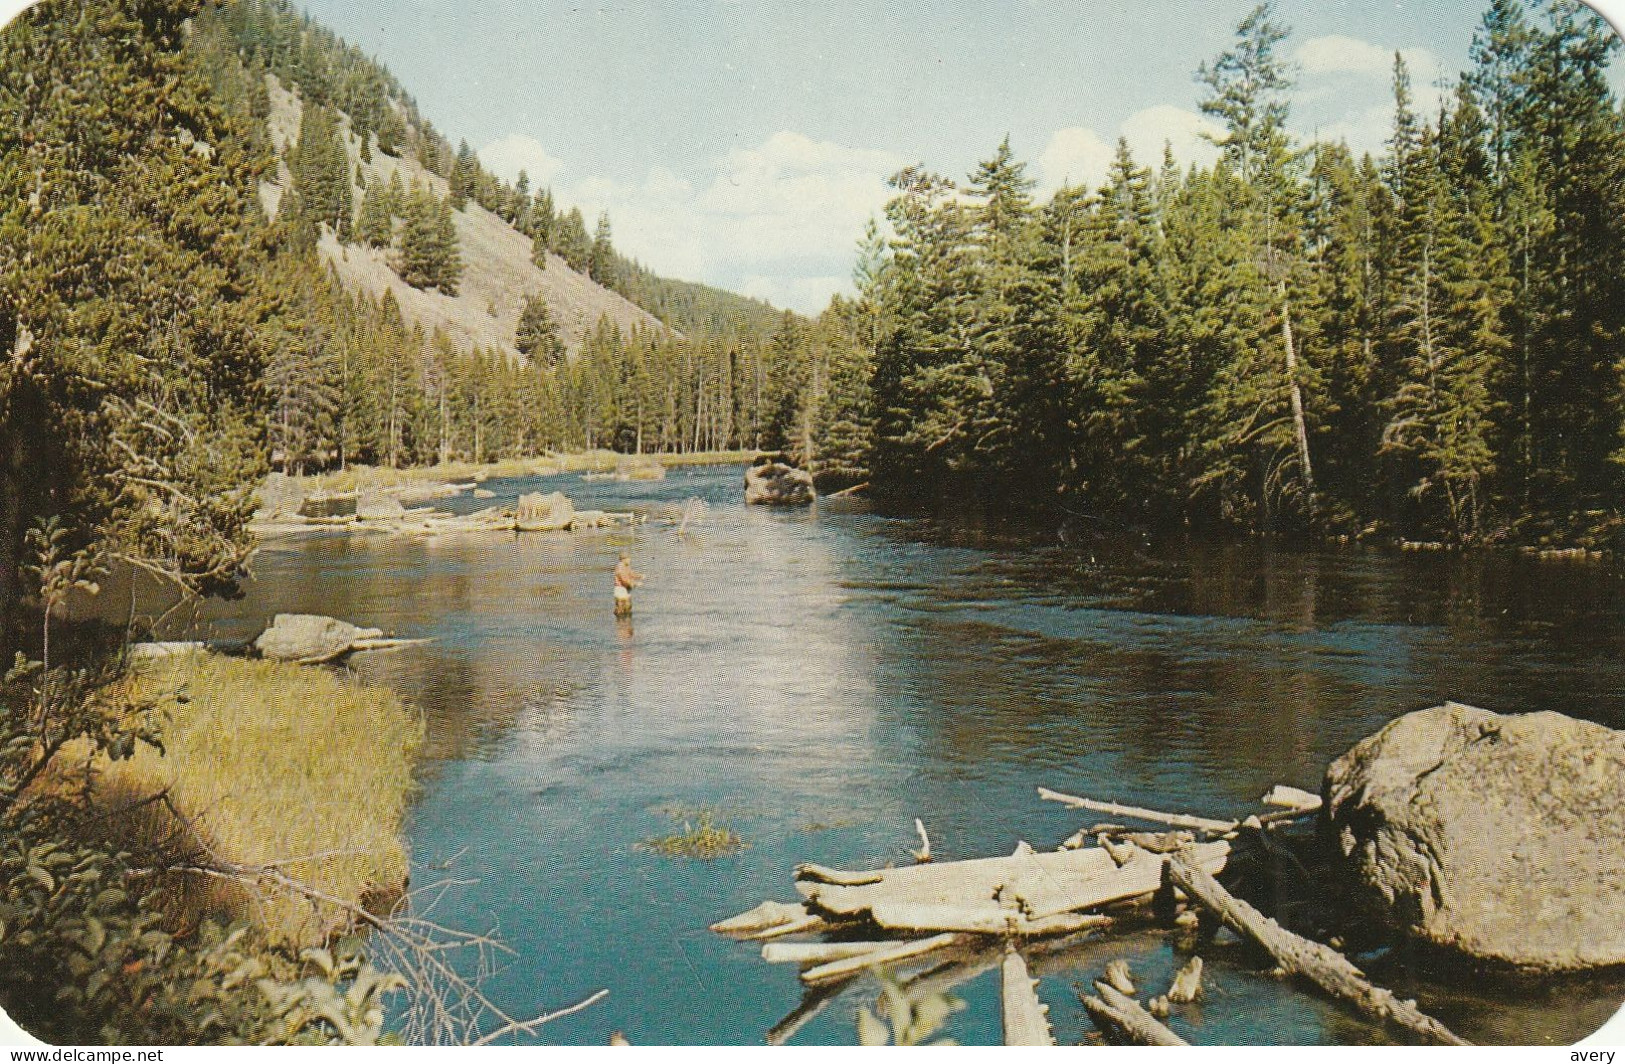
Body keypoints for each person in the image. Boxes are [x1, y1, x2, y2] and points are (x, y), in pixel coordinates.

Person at [612, 551, 643, 617]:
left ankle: (626, 624)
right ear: (623, 559)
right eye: (629, 559)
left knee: (627, 607)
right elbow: (624, 580)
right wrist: (635, 583)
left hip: (625, 589)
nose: (630, 560)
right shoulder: (620, 567)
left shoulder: (626, 566)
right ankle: (620, 624)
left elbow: (631, 573)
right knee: (621, 608)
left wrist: (639, 576)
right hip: (620, 589)